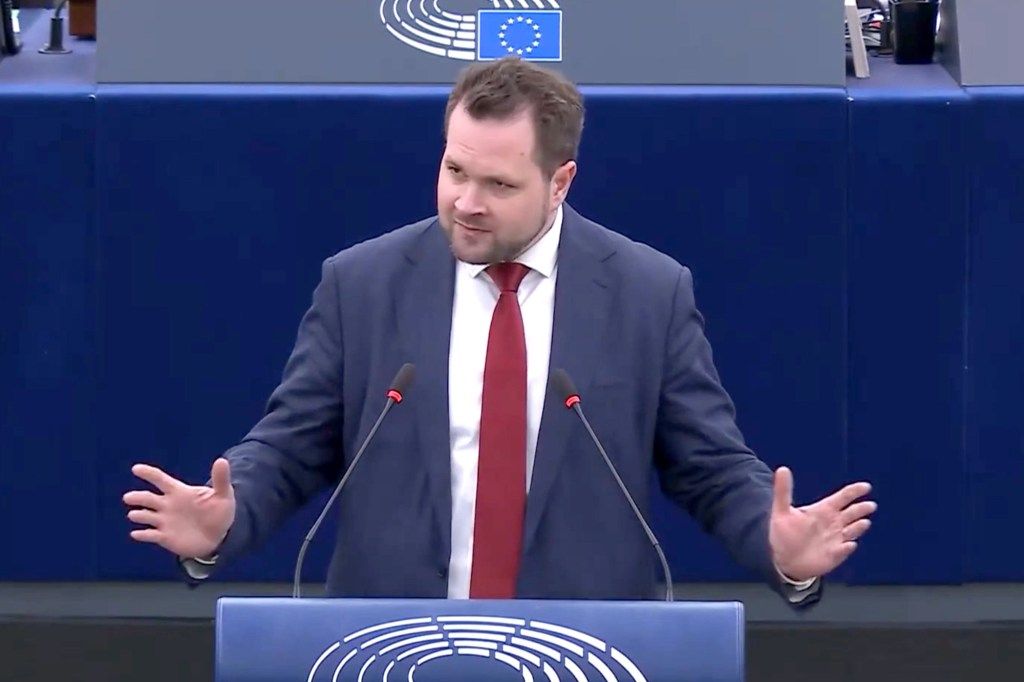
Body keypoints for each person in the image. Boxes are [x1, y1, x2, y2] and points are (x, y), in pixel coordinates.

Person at [122, 57, 876, 604]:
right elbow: (290, 448)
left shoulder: (648, 293)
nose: (466, 203)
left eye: (499, 184)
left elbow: (708, 467)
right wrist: (227, 518)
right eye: (455, 171)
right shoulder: (362, 284)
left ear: (561, 182)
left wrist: (777, 543)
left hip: (581, 645)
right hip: (391, 641)